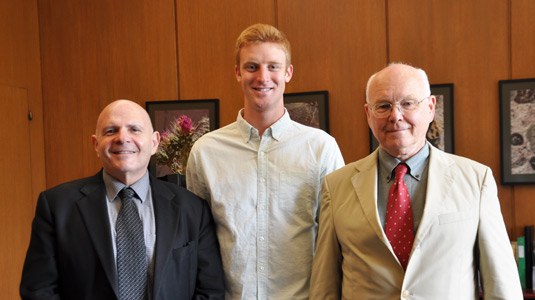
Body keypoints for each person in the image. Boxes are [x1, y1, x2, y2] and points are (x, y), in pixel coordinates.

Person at [310, 63, 523, 299]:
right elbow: (325, 286)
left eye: (408, 103)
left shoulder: (476, 179)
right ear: (368, 115)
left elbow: (502, 284)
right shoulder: (336, 186)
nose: (395, 116)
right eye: (383, 106)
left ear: (430, 108)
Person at [186, 24, 345, 299]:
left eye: (273, 66)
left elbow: (339, 239)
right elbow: (195, 244)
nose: (263, 77)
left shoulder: (321, 148)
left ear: (288, 73)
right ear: (238, 72)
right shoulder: (205, 152)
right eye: (252, 67)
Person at [20, 99, 225, 300]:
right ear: (96, 144)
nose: (122, 138)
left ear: (154, 142)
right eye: (111, 131)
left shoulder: (192, 208)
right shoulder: (57, 206)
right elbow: (38, 290)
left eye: (134, 129)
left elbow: (210, 290)